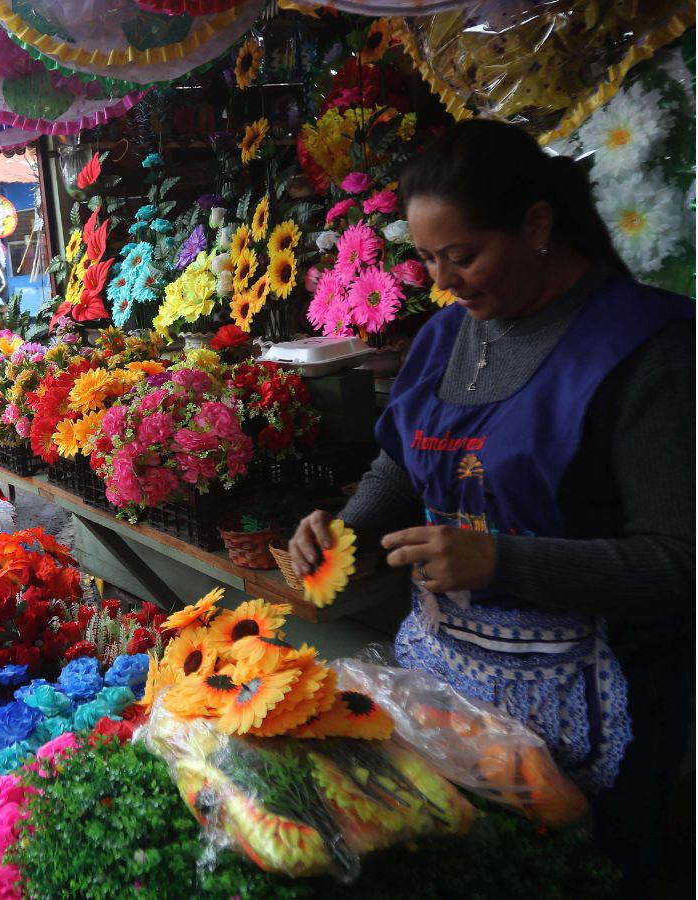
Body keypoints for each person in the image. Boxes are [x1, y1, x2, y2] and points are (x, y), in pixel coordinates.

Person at [286, 120, 693, 898]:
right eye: (428, 259)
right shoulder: (446, 336)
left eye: (463, 255)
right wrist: (348, 527)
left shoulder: (650, 349)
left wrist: (504, 560)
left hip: (603, 705)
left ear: (537, 225)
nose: (444, 281)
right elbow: (403, 466)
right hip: (450, 687)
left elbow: (681, 558)